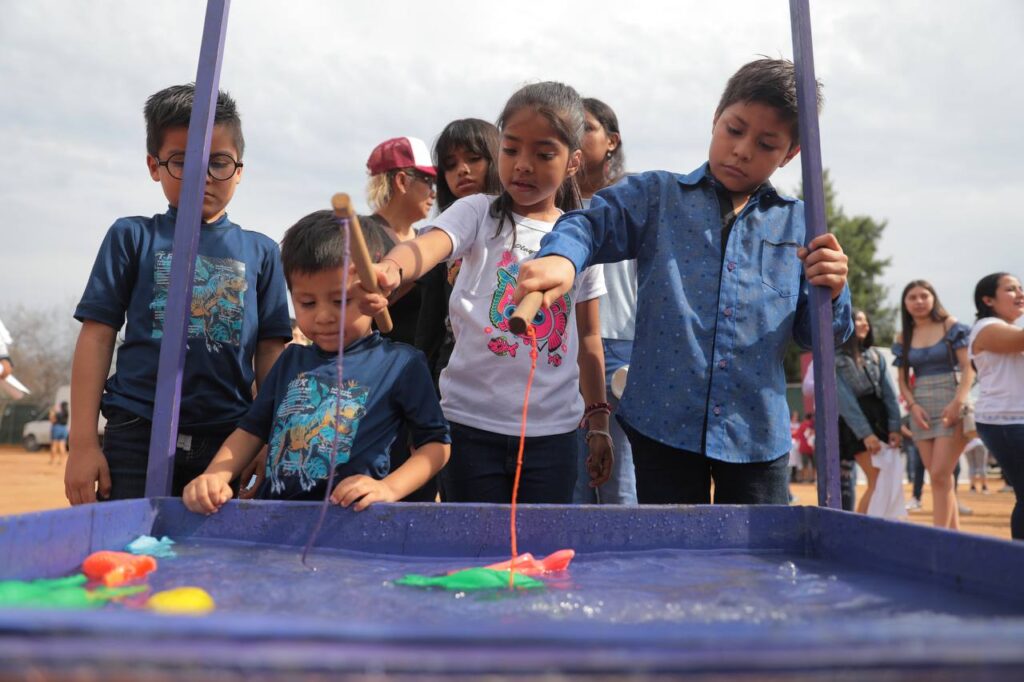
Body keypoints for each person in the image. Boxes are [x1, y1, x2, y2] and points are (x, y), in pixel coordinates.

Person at [513, 58, 852, 505]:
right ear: (715, 119)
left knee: (755, 566)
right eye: (734, 130)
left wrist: (834, 289)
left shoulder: (802, 226)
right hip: (663, 426)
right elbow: (590, 225)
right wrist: (561, 258)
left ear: (790, 154)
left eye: (766, 143)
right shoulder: (656, 196)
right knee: (669, 560)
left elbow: (819, 335)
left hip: (755, 435)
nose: (743, 150)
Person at [369, 82, 613, 504]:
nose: (523, 165)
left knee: (536, 558)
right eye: (512, 149)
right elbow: (429, 246)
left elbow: (589, 341)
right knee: (475, 555)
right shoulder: (478, 212)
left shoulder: (583, 237)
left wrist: (598, 422)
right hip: (468, 425)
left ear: (573, 161)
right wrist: (392, 267)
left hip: (552, 433)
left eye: (544, 154)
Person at [66, 84, 292, 504]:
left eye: (218, 163)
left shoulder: (262, 252)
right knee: (134, 554)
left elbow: (272, 355)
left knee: (216, 563)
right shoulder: (131, 236)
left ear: (240, 169)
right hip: (138, 431)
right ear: (154, 165)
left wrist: (265, 438)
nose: (203, 177)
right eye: (182, 162)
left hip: (229, 442)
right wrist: (82, 444)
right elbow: (96, 337)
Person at [183, 210, 450, 513]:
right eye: (307, 303)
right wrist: (216, 475)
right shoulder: (290, 361)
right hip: (276, 523)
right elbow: (250, 431)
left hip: (352, 527)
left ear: (376, 290)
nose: (323, 316)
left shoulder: (401, 364)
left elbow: (437, 446)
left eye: (340, 301)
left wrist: (387, 488)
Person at [571, 97, 636, 505]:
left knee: (620, 479)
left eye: (587, 126)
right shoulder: (549, 202)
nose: (576, 134)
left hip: (622, 344)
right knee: (574, 480)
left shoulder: (636, 198)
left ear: (612, 141)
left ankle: (624, 569)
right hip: (562, 347)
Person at [415, 119, 502, 388]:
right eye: (450, 165)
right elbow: (430, 328)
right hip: (452, 375)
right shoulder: (441, 239)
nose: (462, 170)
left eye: (474, 158)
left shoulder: (527, 228)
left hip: (514, 371)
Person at [892, 280, 973, 530]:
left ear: (933, 298)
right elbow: (903, 380)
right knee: (940, 478)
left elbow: (969, 368)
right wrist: (913, 406)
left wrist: (958, 401)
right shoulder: (903, 336)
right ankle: (955, 538)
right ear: (905, 303)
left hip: (952, 401)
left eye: (923, 296)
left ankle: (939, 540)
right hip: (921, 408)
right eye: (912, 297)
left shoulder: (950, 325)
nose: (918, 301)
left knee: (939, 474)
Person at [361, 136, 438, 347]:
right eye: (429, 181)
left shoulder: (431, 239)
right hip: (377, 368)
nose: (434, 193)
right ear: (402, 181)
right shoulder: (359, 234)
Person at [968, 272, 1024, 539]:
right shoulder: (985, 326)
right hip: (1005, 421)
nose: (1020, 294)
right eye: (1011, 289)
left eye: (1020, 288)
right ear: (988, 299)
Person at [836, 310, 901, 514]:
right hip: (857, 425)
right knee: (878, 479)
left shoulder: (875, 355)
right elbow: (845, 402)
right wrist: (866, 434)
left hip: (881, 420)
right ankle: (860, 531)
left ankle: (878, 527)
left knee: (887, 480)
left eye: (865, 320)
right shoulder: (836, 359)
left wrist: (895, 426)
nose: (864, 324)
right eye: (858, 320)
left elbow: (890, 394)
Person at [49, 401, 69, 467]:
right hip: (64, 429)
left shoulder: (58, 414)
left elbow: (52, 420)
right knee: (62, 445)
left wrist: (52, 411)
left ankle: (52, 461)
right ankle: (62, 461)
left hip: (57, 428)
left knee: (54, 445)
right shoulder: (66, 413)